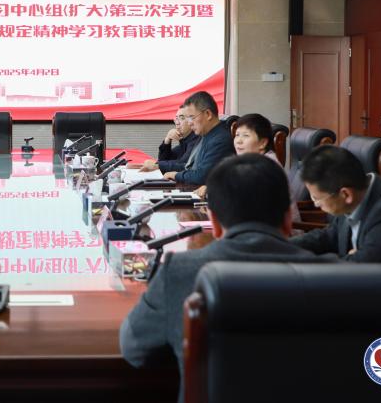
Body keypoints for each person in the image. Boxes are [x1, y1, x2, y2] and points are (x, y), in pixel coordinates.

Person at [120, 154, 330, 394]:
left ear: (214, 223)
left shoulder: (179, 271)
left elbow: (134, 349)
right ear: (288, 220)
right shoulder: (331, 276)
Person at [290, 144, 381, 262]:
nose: (315, 204)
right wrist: (284, 246)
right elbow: (329, 236)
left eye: (316, 198)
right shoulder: (355, 197)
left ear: (346, 194)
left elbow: (361, 269)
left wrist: (352, 257)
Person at [162, 91, 234, 186]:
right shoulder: (205, 135)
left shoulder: (220, 139)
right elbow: (190, 166)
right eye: (187, 119)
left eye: (191, 117)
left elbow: (201, 176)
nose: (189, 123)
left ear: (208, 114)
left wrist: (176, 175)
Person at [139, 103, 201, 173]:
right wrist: (167, 141)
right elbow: (163, 160)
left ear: (192, 120)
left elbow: (185, 164)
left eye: (182, 118)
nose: (177, 123)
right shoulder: (184, 142)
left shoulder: (197, 140)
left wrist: (157, 165)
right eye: (176, 119)